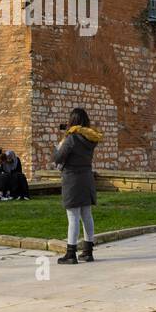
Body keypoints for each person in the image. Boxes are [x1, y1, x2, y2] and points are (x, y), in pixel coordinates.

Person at [54, 108, 102, 264]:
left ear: (72, 121)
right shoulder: (91, 138)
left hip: (73, 179)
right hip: (87, 178)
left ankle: (71, 253)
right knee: (86, 215)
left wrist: (60, 144)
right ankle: (88, 252)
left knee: (73, 217)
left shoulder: (71, 139)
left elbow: (58, 158)